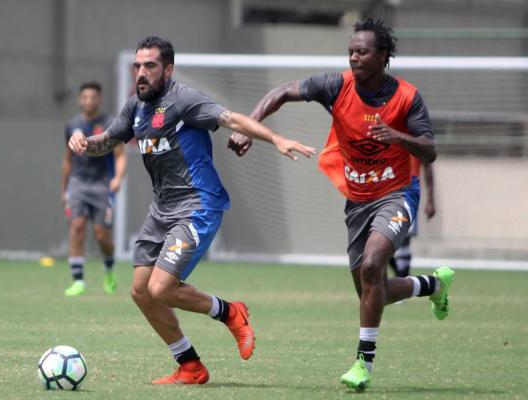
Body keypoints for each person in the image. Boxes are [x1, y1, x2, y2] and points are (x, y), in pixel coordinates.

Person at [68, 36, 315, 384]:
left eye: (150, 66)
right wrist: (84, 142)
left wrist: (275, 138)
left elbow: (232, 119)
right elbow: (107, 141)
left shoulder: (183, 99)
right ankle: (190, 365)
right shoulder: (135, 107)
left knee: (161, 288)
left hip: (198, 205)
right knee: (141, 291)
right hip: (161, 208)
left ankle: (230, 312)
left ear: (168, 70)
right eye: (137, 66)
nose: (141, 73)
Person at [227, 18, 454, 392]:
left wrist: (397, 136)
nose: (354, 57)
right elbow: (282, 91)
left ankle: (363, 364)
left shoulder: (407, 97)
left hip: (397, 194)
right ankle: (433, 285)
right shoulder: (335, 86)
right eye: (351, 51)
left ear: (383, 55)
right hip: (358, 201)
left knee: (373, 265)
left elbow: (430, 150)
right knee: (371, 290)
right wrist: (248, 125)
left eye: (362, 52)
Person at [61, 81, 127, 296]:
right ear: (80, 100)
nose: (89, 101)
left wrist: (118, 178)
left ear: (99, 99)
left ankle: (109, 270)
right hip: (78, 183)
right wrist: (64, 189)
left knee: (101, 235)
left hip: (102, 185)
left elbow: (120, 155)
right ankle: (78, 280)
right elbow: (67, 159)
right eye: (85, 97)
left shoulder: (110, 124)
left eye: (93, 97)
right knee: (77, 227)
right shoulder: (72, 125)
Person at [389, 157, 435, 278]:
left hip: (408, 193)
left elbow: (427, 165)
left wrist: (430, 200)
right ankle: (402, 275)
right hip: (386, 191)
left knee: (404, 239)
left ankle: (402, 277)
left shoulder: (417, 145)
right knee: (380, 240)